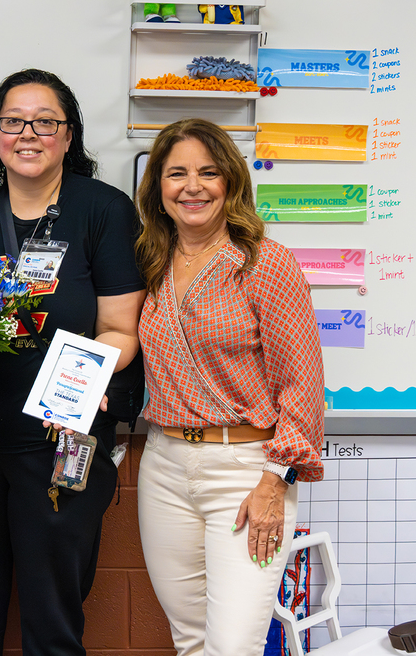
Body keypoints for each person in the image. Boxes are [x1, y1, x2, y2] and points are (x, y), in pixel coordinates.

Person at [0, 69, 146, 656]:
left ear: (68, 135)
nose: (28, 133)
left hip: (59, 444)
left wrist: (84, 382)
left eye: (45, 122)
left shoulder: (103, 210)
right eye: (13, 121)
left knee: (53, 623)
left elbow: (121, 330)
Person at [133, 118, 325, 656]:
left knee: (234, 644)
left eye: (208, 172)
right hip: (165, 467)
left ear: (231, 182)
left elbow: (303, 385)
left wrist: (275, 480)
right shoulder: (150, 260)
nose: (191, 186)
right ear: (157, 187)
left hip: (246, 473)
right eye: (176, 174)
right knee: (190, 637)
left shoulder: (265, 263)